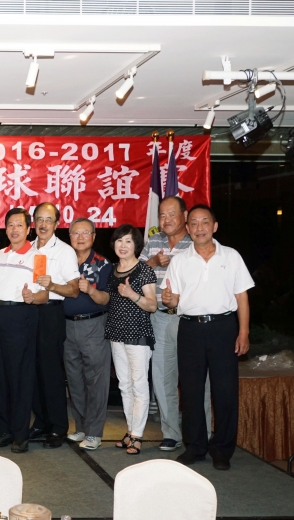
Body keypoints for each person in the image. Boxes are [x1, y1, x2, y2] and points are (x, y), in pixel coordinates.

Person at [163, 204, 254, 471]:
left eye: (205, 222)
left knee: (225, 391)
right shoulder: (180, 260)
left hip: (223, 328)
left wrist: (244, 332)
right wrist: (168, 300)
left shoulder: (231, 256)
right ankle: (195, 446)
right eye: (194, 223)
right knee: (191, 390)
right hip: (190, 329)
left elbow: (242, 296)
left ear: (214, 226)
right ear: (188, 228)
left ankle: (222, 449)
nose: (199, 227)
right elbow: (174, 300)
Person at [139, 196, 211, 451]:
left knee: (197, 379)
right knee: (162, 377)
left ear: (184, 216)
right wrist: (152, 262)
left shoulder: (197, 242)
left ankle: (202, 433)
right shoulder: (154, 242)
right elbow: (134, 274)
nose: (166, 220)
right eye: (162, 215)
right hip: (159, 318)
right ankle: (171, 433)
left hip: (189, 320)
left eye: (172, 214)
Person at [0, 208, 48, 453]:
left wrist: (33, 297)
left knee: (20, 378)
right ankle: (4, 430)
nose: (14, 229)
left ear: (28, 228)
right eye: (10, 225)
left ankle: (20, 434)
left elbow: (45, 295)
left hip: (20, 316)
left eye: (19, 225)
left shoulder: (38, 257)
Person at [105, 224, 158, 455]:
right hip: (116, 334)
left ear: (136, 245)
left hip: (138, 335)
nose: (123, 245)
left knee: (139, 385)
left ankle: (137, 435)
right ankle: (130, 431)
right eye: (119, 240)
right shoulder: (112, 270)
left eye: (128, 241)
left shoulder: (144, 270)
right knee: (124, 385)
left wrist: (131, 294)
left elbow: (152, 305)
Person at [29, 203, 79, 449]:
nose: (43, 224)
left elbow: (74, 290)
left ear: (57, 224)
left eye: (48, 220)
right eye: (39, 219)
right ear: (33, 222)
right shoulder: (27, 248)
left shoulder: (65, 251)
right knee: (33, 371)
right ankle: (41, 422)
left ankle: (58, 426)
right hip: (29, 313)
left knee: (51, 372)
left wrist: (51, 286)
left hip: (51, 313)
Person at [62, 218, 111, 451]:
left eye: (85, 233)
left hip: (93, 325)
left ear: (93, 236)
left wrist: (90, 290)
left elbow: (106, 299)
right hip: (66, 326)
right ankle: (81, 426)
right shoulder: (64, 260)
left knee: (96, 381)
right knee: (74, 380)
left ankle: (94, 432)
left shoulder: (102, 263)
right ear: (69, 236)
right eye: (75, 233)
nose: (80, 238)